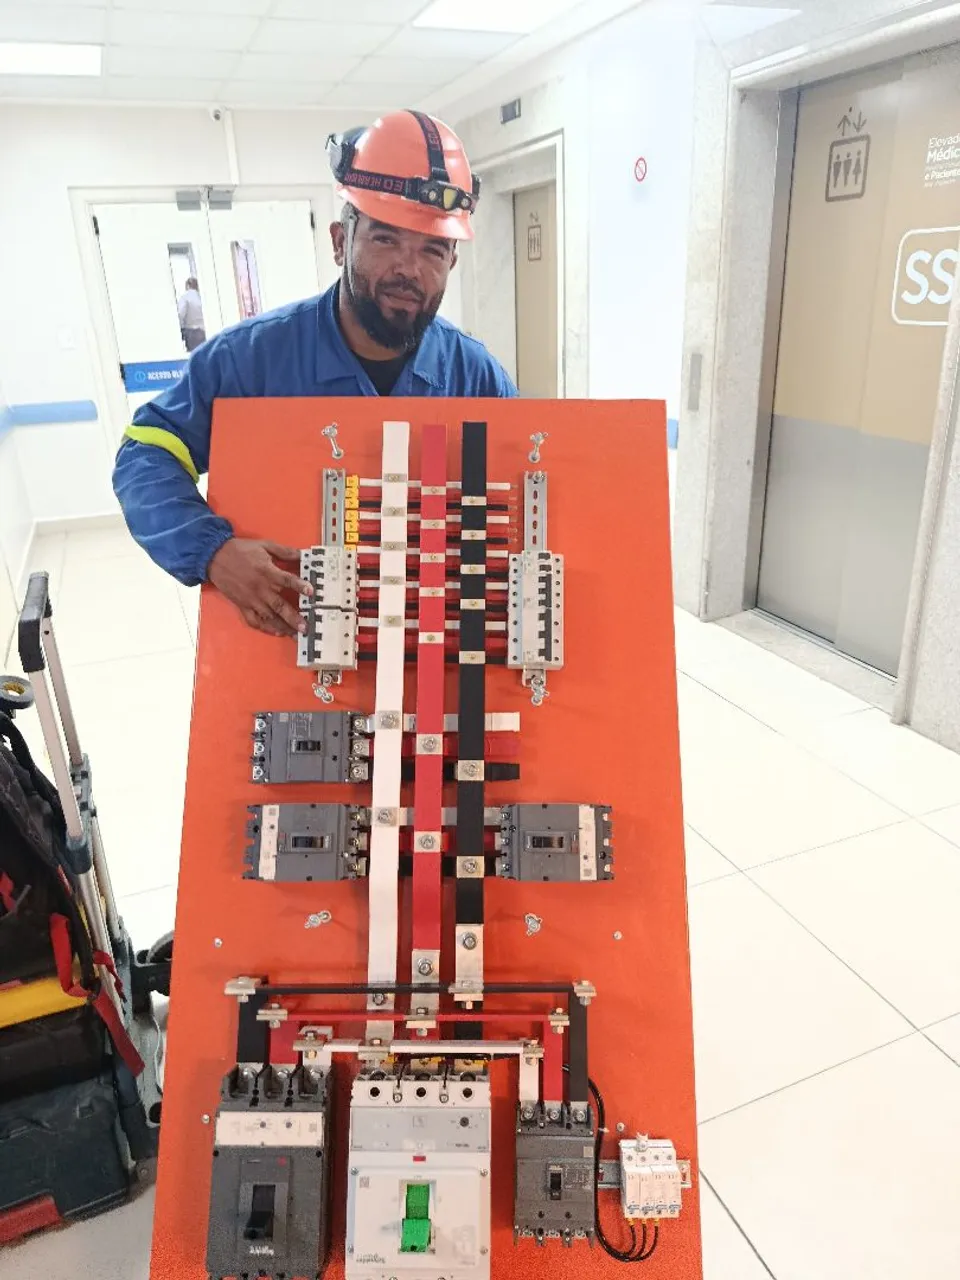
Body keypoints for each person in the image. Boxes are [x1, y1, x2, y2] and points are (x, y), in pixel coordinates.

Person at [114, 110, 516, 638]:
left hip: (428, 640)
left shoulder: (475, 377)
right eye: (386, 239)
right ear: (340, 241)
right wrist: (213, 551)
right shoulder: (250, 360)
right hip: (287, 637)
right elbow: (145, 453)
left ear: (452, 263)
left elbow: (525, 498)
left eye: (433, 249)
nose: (409, 269)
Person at [177, 277, 206, 352]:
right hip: (204, 332)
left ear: (187, 286)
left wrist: (181, 329)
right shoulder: (202, 296)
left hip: (191, 333)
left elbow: (181, 314)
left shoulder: (185, 297)